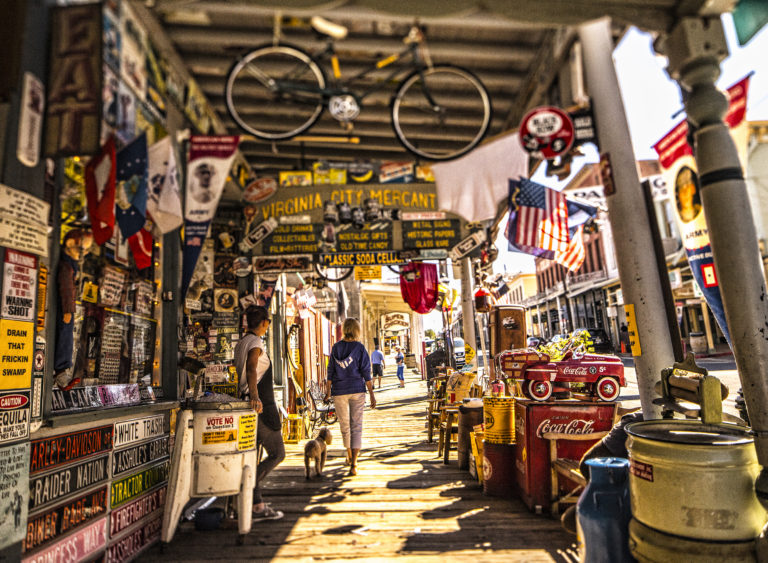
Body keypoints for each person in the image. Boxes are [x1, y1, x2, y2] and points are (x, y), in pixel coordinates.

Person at [234, 306, 285, 521]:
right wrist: (255, 397)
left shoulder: (242, 342)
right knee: (277, 453)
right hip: (259, 408)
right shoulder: (255, 343)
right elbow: (252, 368)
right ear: (263, 322)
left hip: (246, 406)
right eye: (269, 321)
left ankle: (256, 505)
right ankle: (249, 485)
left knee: (252, 456)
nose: (269, 325)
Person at [325, 318, 376, 476]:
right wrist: (372, 394)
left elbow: (330, 372)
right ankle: (354, 463)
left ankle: (348, 455)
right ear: (356, 330)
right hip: (357, 390)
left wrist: (328, 392)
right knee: (356, 426)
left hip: (339, 391)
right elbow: (366, 372)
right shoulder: (360, 348)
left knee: (345, 427)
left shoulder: (336, 348)